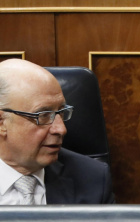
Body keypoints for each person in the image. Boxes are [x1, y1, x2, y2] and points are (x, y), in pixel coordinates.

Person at [0, 58, 115, 204]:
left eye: (61, 112)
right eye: (42, 115)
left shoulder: (93, 179)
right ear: (1, 122)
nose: (61, 129)